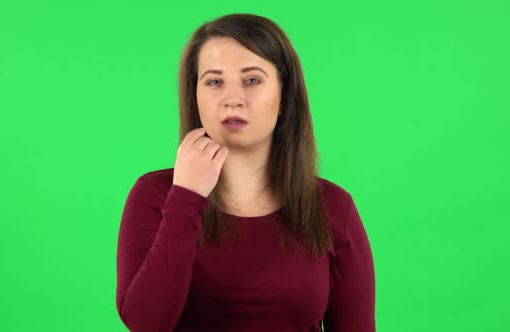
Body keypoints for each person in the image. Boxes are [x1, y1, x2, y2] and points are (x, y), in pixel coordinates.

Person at [115, 13, 375, 332]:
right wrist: (186, 198)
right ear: (195, 97)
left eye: (252, 80)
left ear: (283, 97)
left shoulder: (334, 207)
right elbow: (145, 323)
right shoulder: (154, 195)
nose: (232, 99)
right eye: (214, 82)